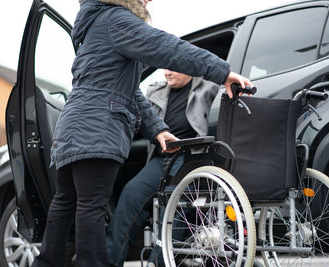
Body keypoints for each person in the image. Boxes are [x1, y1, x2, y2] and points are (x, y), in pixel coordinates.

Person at [31, 0, 252, 266]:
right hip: (97, 126)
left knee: (64, 203)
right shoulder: (116, 20)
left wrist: (157, 129)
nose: (148, 0)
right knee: (91, 207)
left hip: (72, 127)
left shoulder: (94, 25)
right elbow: (168, 47)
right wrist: (223, 72)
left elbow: (129, 90)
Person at [106, 69, 219, 266]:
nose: (167, 72)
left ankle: (157, 262)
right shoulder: (155, 92)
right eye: (164, 68)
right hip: (162, 159)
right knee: (131, 193)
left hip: (190, 159)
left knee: (172, 202)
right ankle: (108, 261)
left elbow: (225, 91)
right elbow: (139, 120)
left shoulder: (209, 88)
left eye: (172, 67)